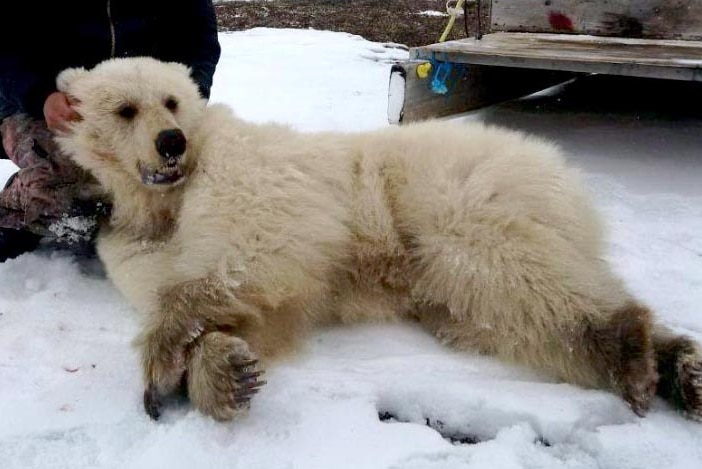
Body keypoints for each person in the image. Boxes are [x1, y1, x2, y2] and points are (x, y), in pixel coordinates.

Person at [0, 0, 221, 262]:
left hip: (153, 100)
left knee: (201, 167)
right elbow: (6, 50)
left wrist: (184, 96)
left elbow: (198, 42)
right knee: (67, 181)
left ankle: (123, 212)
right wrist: (40, 95)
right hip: (52, 104)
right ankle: (16, 216)